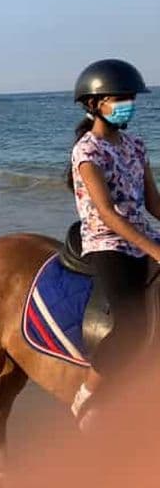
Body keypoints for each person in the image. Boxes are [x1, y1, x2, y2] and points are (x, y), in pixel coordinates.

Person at [67, 58, 160, 427]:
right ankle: (88, 394)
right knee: (132, 325)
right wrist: (155, 250)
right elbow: (106, 213)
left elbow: (153, 202)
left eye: (130, 98)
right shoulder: (86, 152)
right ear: (94, 104)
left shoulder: (136, 146)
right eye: (118, 98)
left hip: (144, 236)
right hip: (108, 242)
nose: (128, 105)